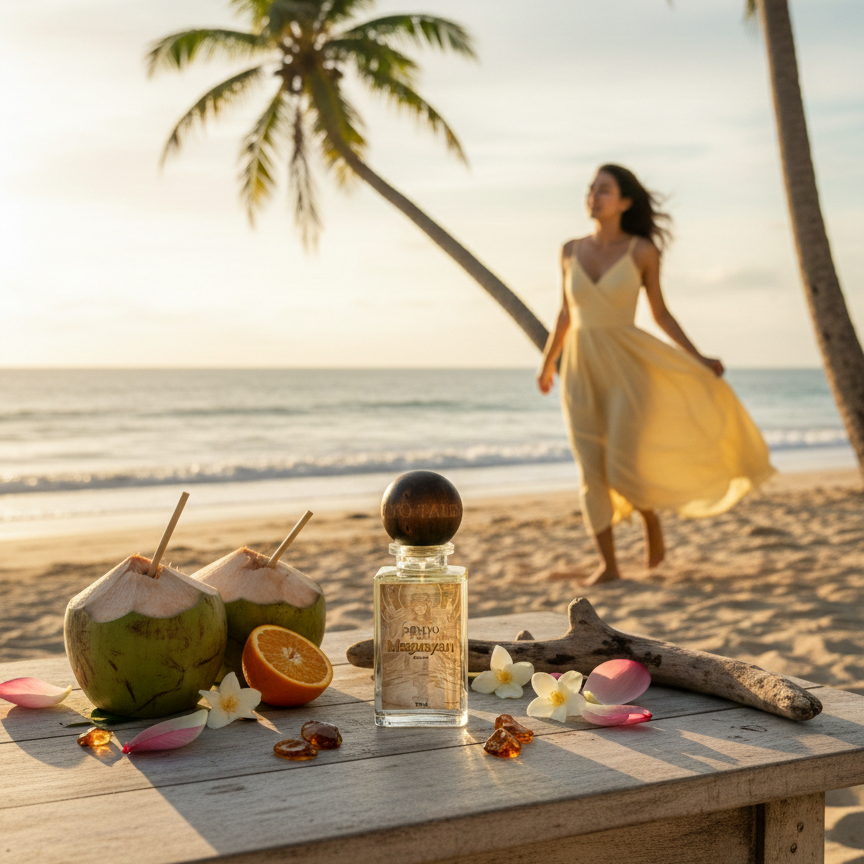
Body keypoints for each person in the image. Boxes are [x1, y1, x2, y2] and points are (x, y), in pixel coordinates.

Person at [537, 164, 774, 585]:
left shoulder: (642, 251)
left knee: (622, 463)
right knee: (590, 468)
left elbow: (660, 313)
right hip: (579, 368)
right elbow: (563, 313)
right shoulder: (569, 249)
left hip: (629, 369)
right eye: (591, 189)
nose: (594, 195)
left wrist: (699, 358)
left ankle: (649, 518)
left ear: (625, 202)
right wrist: (547, 363)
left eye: (604, 190)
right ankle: (608, 565)